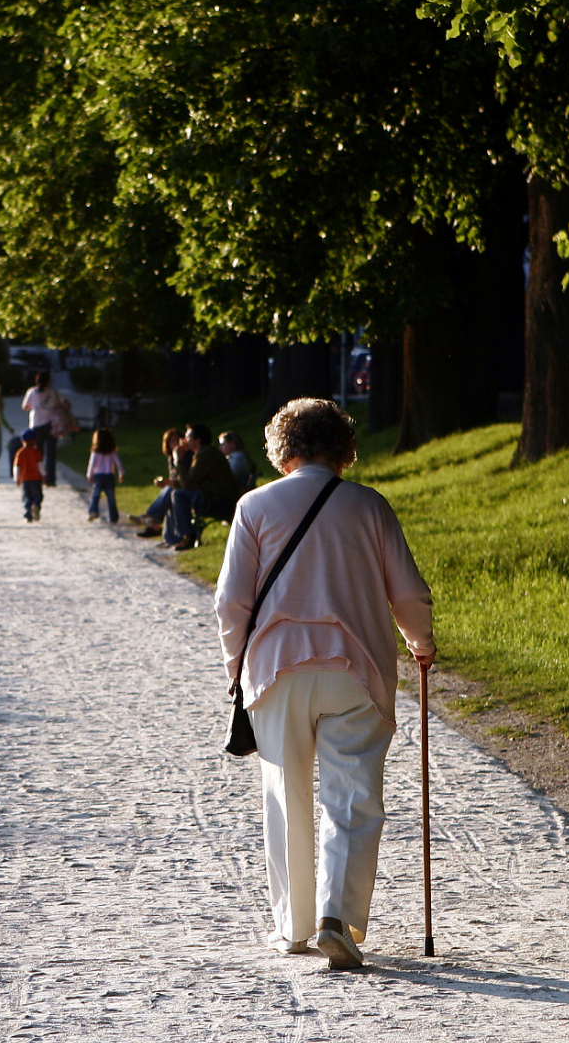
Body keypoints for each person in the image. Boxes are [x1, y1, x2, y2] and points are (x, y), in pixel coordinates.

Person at [212, 398, 435, 970]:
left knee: (286, 795)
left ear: (282, 447)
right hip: (354, 669)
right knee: (354, 795)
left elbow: (231, 600)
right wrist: (421, 643)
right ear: (343, 447)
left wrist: (237, 665)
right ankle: (339, 917)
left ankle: (294, 928)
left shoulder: (255, 506)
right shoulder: (369, 506)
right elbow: (406, 593)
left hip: (276, 668)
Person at [164, 423, 243, 550]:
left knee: (178, 495)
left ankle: (188, 537)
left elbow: (188, 483)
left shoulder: (205, 454)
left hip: (219, 500)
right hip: (215, 496)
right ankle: (172, 531)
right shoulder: (204, 453)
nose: (184, 440)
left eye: (187, 437)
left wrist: (178, 460)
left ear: (197, 441)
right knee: (174, 492)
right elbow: (190, 481)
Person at [133, 428, 186, 538]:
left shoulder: (186, 455)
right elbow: (175, 479)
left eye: (177, 440)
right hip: (178, 489)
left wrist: (169, 482)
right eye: (172, 441)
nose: (176, 443)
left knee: (170, 492)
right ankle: (160, 529)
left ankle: (151, 519)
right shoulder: (172, 458)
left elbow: (184, 480)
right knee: (168, 492)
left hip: (187, 489)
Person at [20, 369, 69, 486]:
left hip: (36, 425)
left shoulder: (31, 392)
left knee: (37, 454)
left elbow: (25, 407)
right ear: (48, 382)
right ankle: (50, 480)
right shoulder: (53, 392)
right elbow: (66, 404)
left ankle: (38, 478)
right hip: (52, 425)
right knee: (51, 454)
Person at [86, 427, 124, 523]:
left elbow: (92, 464)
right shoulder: (112, 452)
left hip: (98, 476)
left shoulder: (95, 452)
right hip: (109, 476)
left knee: (95, 495)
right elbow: (118, 463)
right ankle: (114, 517)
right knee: (111, 497)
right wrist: (121, 473)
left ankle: (93, 511)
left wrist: (89, 475)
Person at [14, 426, 46, 522]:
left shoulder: (19, 453)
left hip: (24, 479)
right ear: (33, 440)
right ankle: (36, 505)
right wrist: (44, 475)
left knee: (27, 497)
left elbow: (16, 467)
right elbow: (40, 465)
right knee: (37, 496)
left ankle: (28, 515)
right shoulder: (36, 451)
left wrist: (17, 479)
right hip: (35, 478)